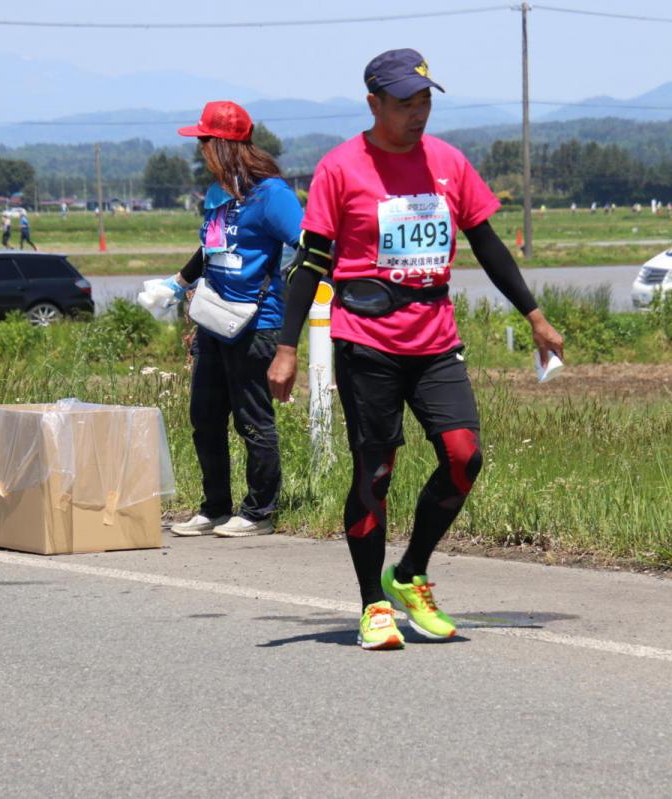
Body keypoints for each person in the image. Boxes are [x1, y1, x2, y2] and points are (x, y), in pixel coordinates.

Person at [268, 49, 563, 651]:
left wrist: (534, 315)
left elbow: (487, 243)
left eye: (425, 100)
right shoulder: (340, 168)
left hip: (435, 339)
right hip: (367, 340)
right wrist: (286, 347)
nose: (417, 113)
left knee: (463, 456)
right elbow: (311, 262)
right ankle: (372, 605)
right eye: (405, 103)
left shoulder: (448, 163)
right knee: (376, 470)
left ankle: (408, 574)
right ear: (374, 104)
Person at [162, 100, 304, 539]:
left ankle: (259, 511)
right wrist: (178, 283)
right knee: (204, 418)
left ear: (221, 145)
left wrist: (293, 283)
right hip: (212, 321)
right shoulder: (218, 194)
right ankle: (215, 507)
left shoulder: (272, 194)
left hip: (256, 324)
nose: (200, 149)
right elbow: (211, 249)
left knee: (252, 420)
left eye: (204, 141)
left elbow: (309, 244)